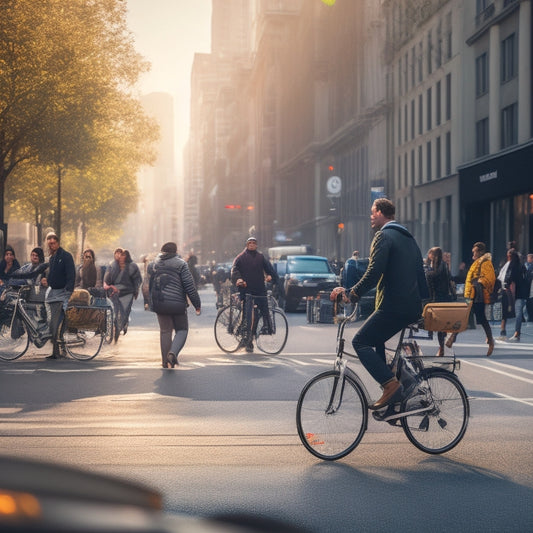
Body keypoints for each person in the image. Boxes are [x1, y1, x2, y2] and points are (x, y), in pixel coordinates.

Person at [331, 198, 428, 410]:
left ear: (382, 213)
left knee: (360, 342)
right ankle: (401, 389)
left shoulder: (383, 236)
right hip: (409, 307)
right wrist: (423, 305)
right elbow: (421, 274)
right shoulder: (409, 238)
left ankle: (391, 386)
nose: (371, 217)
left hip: (393, 306)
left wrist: (352, 293)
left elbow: (374, 271)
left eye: (373, 213)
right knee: (377, 341)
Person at [147, 242, 201, 368]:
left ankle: (165, 362)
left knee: (165, 331)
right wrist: (196, 304)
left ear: (162, 251)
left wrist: (150, 302)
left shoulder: (154, 264)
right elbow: (189, 286)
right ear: (175, 251)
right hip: (177, 304)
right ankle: (172, 353)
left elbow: (148, 284)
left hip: (160, 303)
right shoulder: (181, 264)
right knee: (182, 330)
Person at [231, 236, 277, 353]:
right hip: (246, 290)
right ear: (247, 245)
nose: (252, 245)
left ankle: (253, 336)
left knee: (258, 315)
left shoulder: (261, 257)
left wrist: (270, 276)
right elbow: (234, 270)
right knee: (249, 315)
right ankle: (247, 340)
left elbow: (269, 269)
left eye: (254, 243)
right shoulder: (240, 257)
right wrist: (239, 279)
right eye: (250, 243)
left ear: (256, 245)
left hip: (259, 290)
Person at [40, 232, 76, 359]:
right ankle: (56, 351)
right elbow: (52, 277)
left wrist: (68, 292)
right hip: (53, 293)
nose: (51, 245)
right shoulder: (52, 258)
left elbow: (71, 275)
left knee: (57, 322)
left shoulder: (66, 256)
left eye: (53, 243)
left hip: (62, 293)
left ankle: (59, 350)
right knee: (53, 323)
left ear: (58, 243)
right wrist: (45, 281)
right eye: (49, 243)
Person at [463, 241, 496, 356]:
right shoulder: (476, 263)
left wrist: (479, 283)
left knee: (481, 319)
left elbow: (490, 278)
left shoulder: (485, 262)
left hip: (478, 296)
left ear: (480, 252)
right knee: (464, 317)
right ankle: (451, 339)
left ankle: (491, 340)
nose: (473, 253)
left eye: (475, 251)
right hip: (471, 295)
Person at [103, 249, 142, 337]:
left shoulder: (132, 266)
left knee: (125, 312)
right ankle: (116, 327)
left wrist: (136, 291)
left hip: (128, 292)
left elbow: (137, 280)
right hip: (115, 292)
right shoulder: (113, 265)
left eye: (122, 255)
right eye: (119, 255)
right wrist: (109, 288)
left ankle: (123, 325)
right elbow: (107, 278)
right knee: (115, 311)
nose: (120, 257)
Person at [425, 246, 455, 355]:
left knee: (440, 326)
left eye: (430, 254)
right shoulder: (439, 265)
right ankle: (442, 347)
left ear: (434, 255)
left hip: (440, 299)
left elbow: (434, 276)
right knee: (441, 326)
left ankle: (442, 348)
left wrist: (427, 273)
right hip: (440, 298)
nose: (428, 256)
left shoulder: (441, 266)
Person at [497, 248, 521, 340]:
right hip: (505, 289)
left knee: (505, 311)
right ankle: (503, 331)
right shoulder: (508, 264)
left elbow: (509, 277)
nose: (508, 256)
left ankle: (504, 332)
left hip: (507, 290)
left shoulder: (513, 265)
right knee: (504, 311)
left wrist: (506, 284)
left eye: (509, 255)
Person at [508, 250, 528, 342]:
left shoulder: (514, 267)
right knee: (520, 313)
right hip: (524, 293)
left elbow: (511, 279)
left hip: (518, 293)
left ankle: (517, 333)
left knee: (518, 314)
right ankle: (517, 332)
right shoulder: (522, 266)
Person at [526, 253, 533, 323]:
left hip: (530, 287)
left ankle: (531, 317)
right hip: (529, 288)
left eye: (529, 258)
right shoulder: (528, 266)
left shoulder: (530, 267)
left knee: (530, 302)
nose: (527, 260)